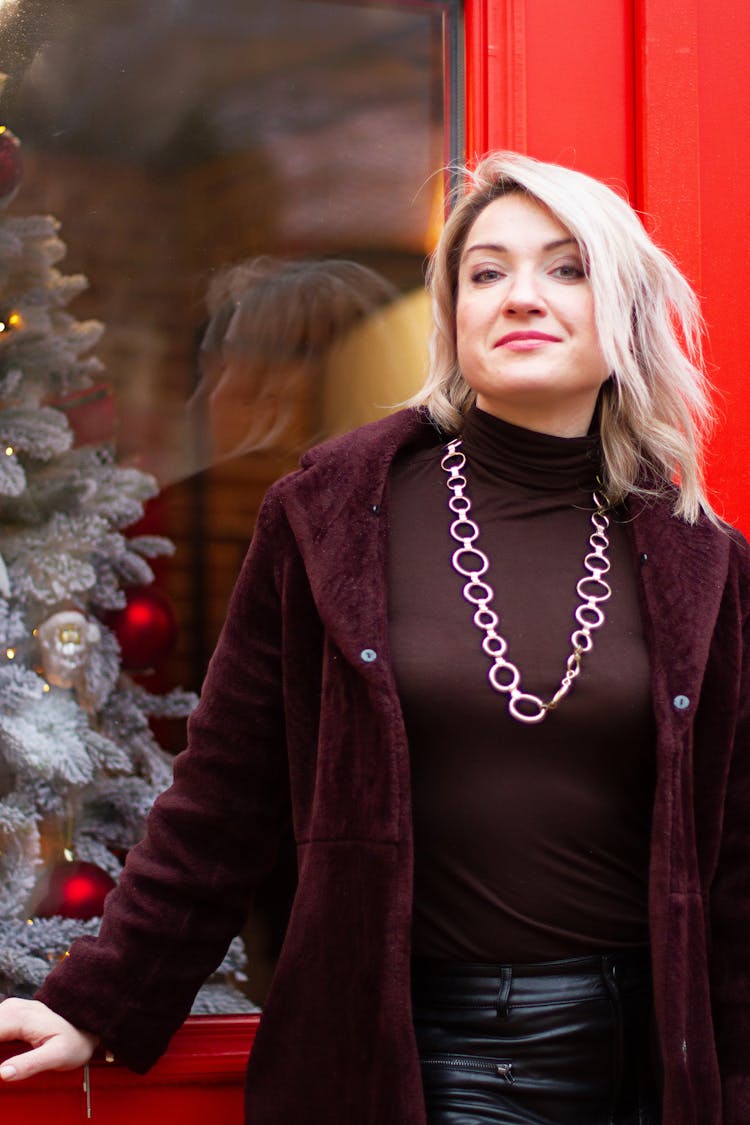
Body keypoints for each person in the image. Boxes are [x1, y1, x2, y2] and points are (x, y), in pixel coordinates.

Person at [0, 151, 748, 1125]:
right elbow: (226, 798)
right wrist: (98, 1002)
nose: (522, 295)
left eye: (567, 268)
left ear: (629, 315)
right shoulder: (332, 517)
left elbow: (733, 862)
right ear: (453, 318)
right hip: (422, 1056)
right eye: (487, 272)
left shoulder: (702, 557)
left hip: (650, 1060)